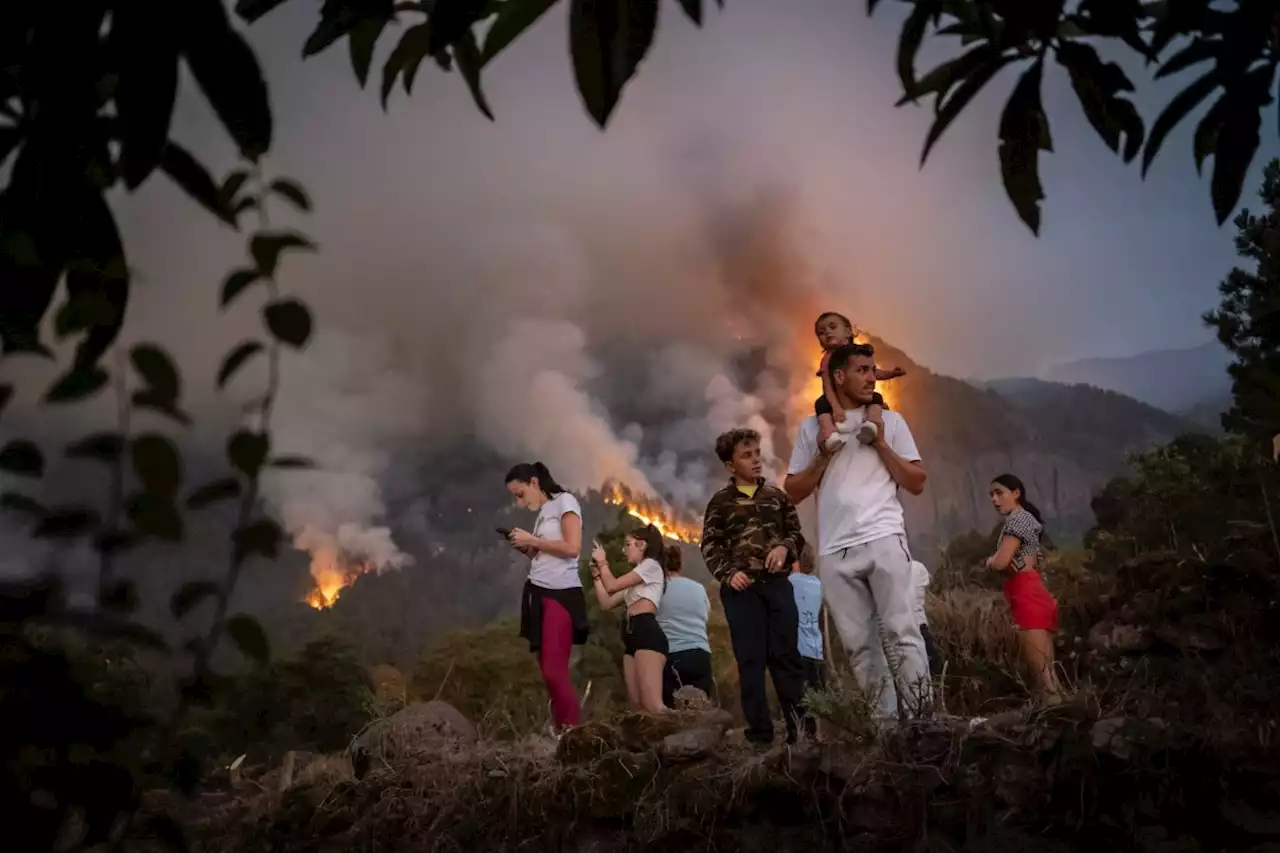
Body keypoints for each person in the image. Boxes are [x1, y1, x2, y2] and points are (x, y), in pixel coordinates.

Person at [784, 342, 932, 722]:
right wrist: (822, 454)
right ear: (839, 376)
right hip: (835, 550)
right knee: (860, 648)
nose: (871, 378)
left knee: (902, 632)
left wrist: (880, 443)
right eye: (862, 370)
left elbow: (916, 481)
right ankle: (886, 731)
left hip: (884, 537)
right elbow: (793, 490)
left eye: (872, 369)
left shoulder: (892, 422)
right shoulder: (811, 429)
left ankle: (922, 723)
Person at [700, 428, 810, 746]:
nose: (756, 460)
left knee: (786, 657)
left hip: (777, 587)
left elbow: (796, 533)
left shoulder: (777, 497)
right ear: (730, 465)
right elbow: (710, 545)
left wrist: (785, 549)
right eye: (747, 455)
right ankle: (760, 732)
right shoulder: (720, 503)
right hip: (742, 592)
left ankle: (800, 729)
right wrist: (728, 573)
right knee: (750, 660)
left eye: (757, 453)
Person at [505, 462, 590, 731]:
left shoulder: (565, 502)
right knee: (547, 673)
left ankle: (574, 733)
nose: (519, 502)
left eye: (520, 494)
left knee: (555, 671)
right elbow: (544, 552)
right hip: (538, 591)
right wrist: (526, 547)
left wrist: (534, 540)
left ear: (533, 482)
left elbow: (573, 547)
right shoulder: (543, 513)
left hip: (561, 592)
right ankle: (561, 732)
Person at [986, 474, 1063, 706]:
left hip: (1028, 594)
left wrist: (990, 561)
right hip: (1031, 592)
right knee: (1047, 676)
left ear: (1016, 493)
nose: (994, 499)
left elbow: (1001, 562)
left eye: (999, 493)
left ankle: (1057, 727)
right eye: (991, 495)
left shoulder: (1018, 519)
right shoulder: (1025, 519)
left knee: (1044, 680)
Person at [589, 525, 669, 713]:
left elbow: (612, 586)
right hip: (631, 634)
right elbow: (606, 603)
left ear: (642, 545)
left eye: (628, 544)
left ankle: (688, 727)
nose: (625, 550)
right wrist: (596, 576)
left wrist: (603, 563)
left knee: (653, 706)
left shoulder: (651, 565)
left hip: (646, 631)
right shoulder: (637, 579)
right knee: (637, 707)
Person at [813, 311, 906, 452]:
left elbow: (873, 374)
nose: (827, 333)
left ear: (848, 331)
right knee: (821, 405)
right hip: (835, 399)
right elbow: (827, 385)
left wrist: (891, 373)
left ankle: (873, 423)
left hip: (857, 398)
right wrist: (836, 406)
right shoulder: (827, 360)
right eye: (821, 332)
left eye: (832, 327)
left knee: (876, 397)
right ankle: (829, 434)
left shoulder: (857, 354)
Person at [656, 544, 715, 707]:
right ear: (680, 564)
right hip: (699, 655)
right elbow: (706, 617)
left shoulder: (657, 589)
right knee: (701, 711)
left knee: (672, 713)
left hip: (670, 656)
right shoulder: (698, 588)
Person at [790, 545, 825, 697]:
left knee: (800, 701)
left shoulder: (789, 582)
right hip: (818, 651)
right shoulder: (819, 585)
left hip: (798, 651)